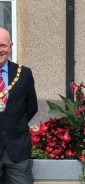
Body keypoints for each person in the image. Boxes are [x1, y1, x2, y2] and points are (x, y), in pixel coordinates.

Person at [0, 27, 38, 184]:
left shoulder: (24, 73)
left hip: (17, 151)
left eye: (2, 45)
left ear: (10, 46)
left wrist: (15, 124)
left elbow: (32, 107)